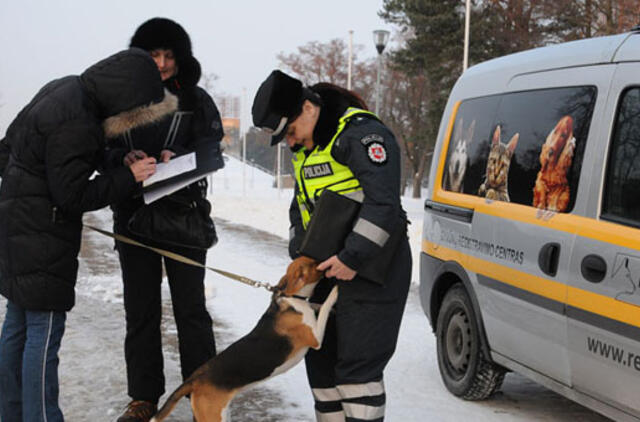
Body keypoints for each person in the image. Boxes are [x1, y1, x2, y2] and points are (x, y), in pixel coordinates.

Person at [0, 48, 174, 422]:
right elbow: (73, 195)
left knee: (16, 328)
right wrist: (130, 178)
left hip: (17, 224)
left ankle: (11, 414)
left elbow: (16, 150)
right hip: (44, 236)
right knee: (42, 338)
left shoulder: (63, 90)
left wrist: (116, 160)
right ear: (126, 97)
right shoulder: (79, 121)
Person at [252, 70, 412, 422]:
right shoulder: (307, 149)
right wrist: (301, 251)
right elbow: (301, 207)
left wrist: (352, 256)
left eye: (290, 132)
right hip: (326, 269)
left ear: (308, 108)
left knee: (357, 372)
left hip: (373, 267)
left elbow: (383, 204)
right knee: (321, 369)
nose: (291, 143)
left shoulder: (362, 134)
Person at [101, 18, 224, 422]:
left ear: (180, 57)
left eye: (169, 55)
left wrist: (178, 157)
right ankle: (143, 399)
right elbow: (100, 151)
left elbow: (213, 151)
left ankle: (204, 394)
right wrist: (124, 158)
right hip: (133, 218)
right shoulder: (120, 100)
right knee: (141, 312)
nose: (162, 63)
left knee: (191, 313)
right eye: (154, 54)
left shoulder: (196, 99)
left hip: (183, 218)